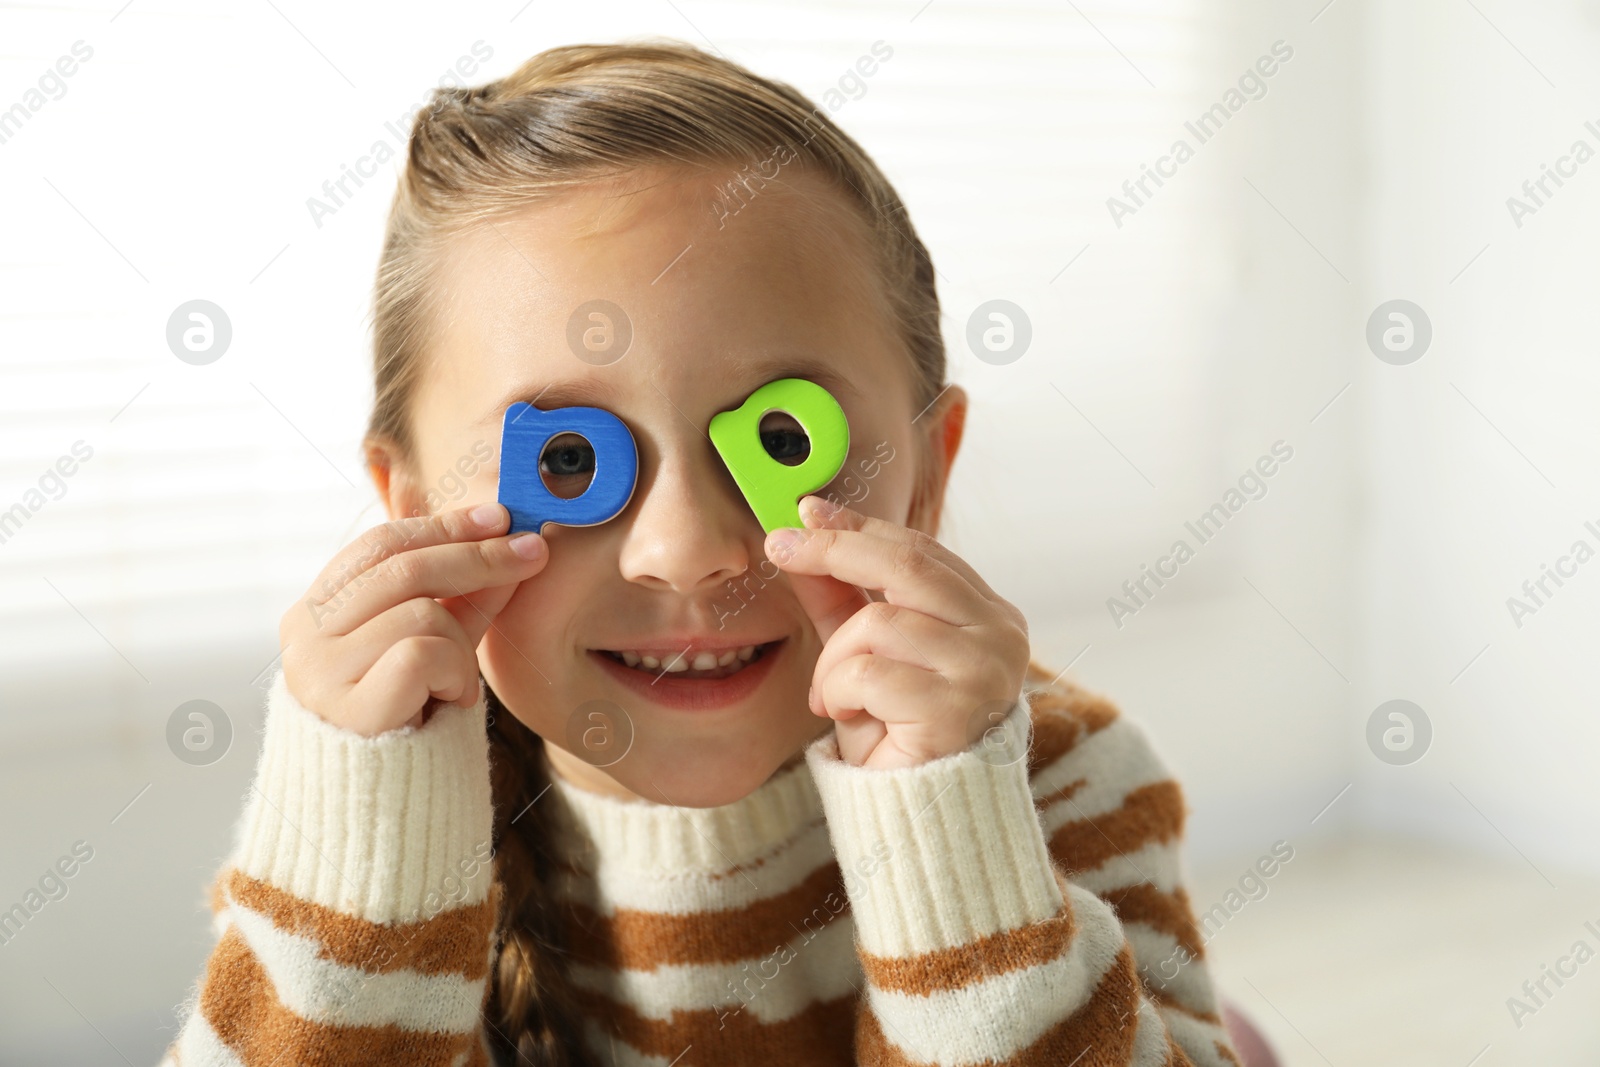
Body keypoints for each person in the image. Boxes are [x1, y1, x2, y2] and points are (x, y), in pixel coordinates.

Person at [160, 39, 1241, 1067]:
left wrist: (956, 846)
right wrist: (367, 856)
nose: (686, 551)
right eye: (572, 460)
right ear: (406, 509)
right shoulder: (370, 822)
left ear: (927, 474)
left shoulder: (1066, 779)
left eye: (779, 441)